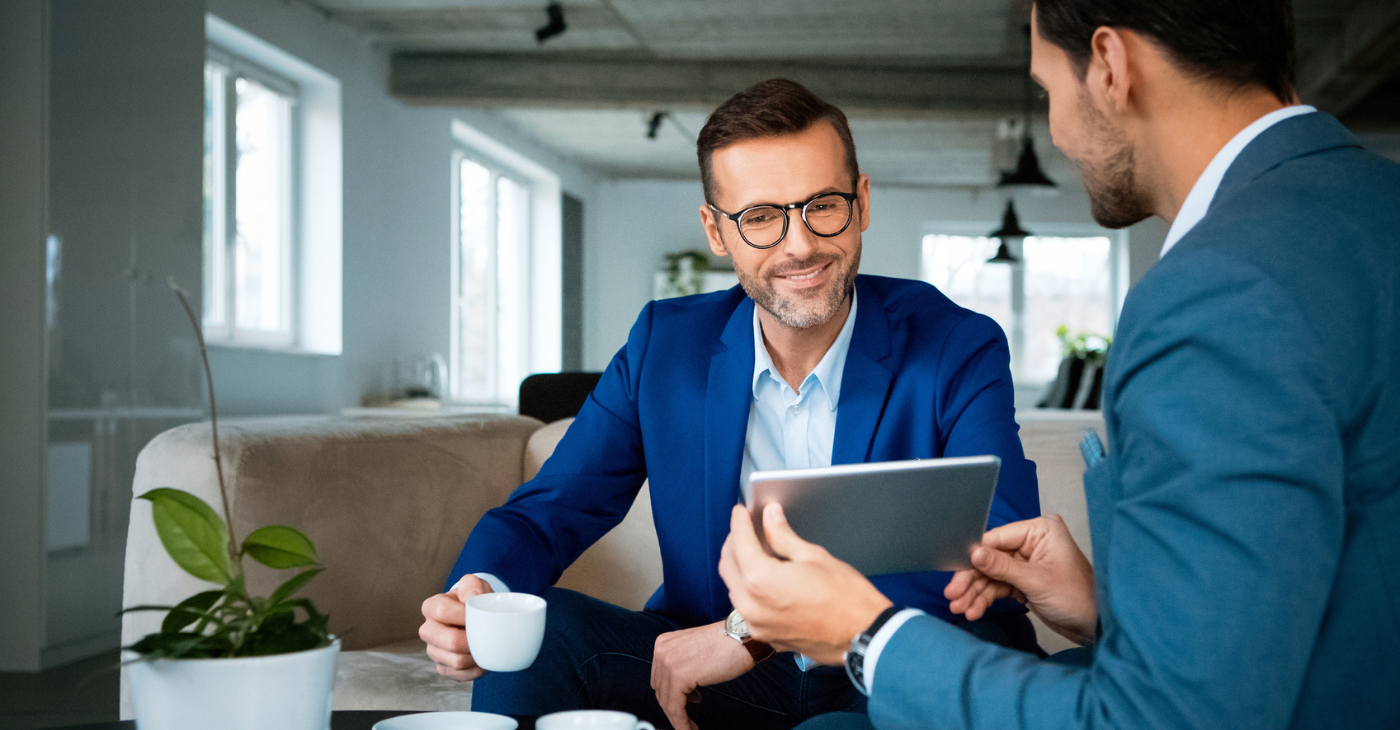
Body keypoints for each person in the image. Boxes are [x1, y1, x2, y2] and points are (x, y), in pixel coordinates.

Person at [719, 1, 1400, 728]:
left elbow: (1161, 720)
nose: (1057, 132)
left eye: (1048, 89)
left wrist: (865, 636)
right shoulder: (1375, 205)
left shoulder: (1217, 292)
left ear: (1110, 66)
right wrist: (1105, 606)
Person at [418, 79, 1044, 730]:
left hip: (890, 672)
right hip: (714, 672)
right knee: (540, 637)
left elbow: (996, 542)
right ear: (717, 230)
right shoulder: (666, 343)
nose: (799, 244)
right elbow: (551, 510)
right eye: (761, 217)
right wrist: (478, 598)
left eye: (821, 205)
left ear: (860, 203)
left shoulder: (955, 344)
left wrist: (749, 631)